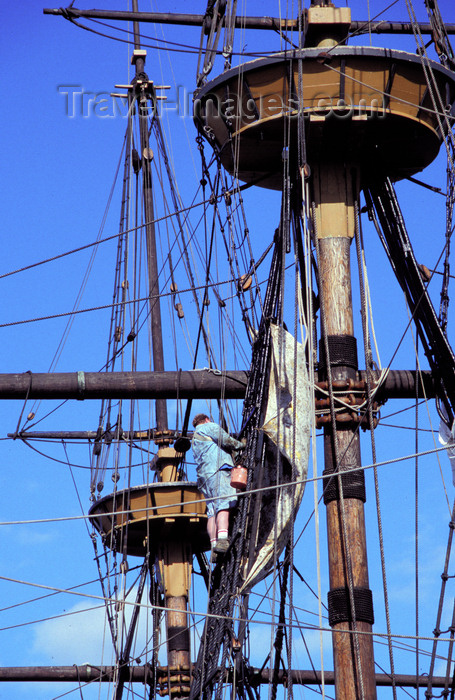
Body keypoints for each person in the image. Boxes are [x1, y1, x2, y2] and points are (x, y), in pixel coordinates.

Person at [192, 413, 245, 556]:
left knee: (211, 511)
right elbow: (226, 440)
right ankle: (222, 540)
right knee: (223, 504)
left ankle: (214, 545)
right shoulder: (209, 427)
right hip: (218, 471)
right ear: (207, 420)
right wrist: (241, 445)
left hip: (205, 478)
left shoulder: (194, 440)